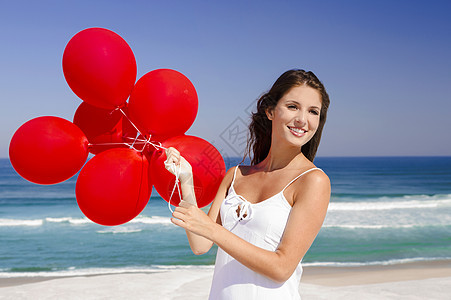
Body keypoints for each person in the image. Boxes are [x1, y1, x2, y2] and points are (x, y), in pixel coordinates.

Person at [164, 69, 331, 299]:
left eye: (313, 111)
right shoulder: (235, 176)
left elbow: (281, 268)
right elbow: (200, 245)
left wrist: (212, 229)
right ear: (270, 111)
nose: (303, 119)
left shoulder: (313, 181)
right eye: (293, 106)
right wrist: (186, 180)